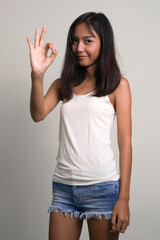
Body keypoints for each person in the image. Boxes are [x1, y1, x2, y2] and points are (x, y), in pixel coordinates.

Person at [27, 11, 132, 240]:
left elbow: (125, 143)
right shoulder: (63, 84)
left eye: (88, 41)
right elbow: (38, 114)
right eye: (75, 40)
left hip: (103, 188)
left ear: (104, 43)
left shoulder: (118, 86)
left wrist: (123, 199)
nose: (79, 48)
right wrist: (37, 74)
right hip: (64, 188)